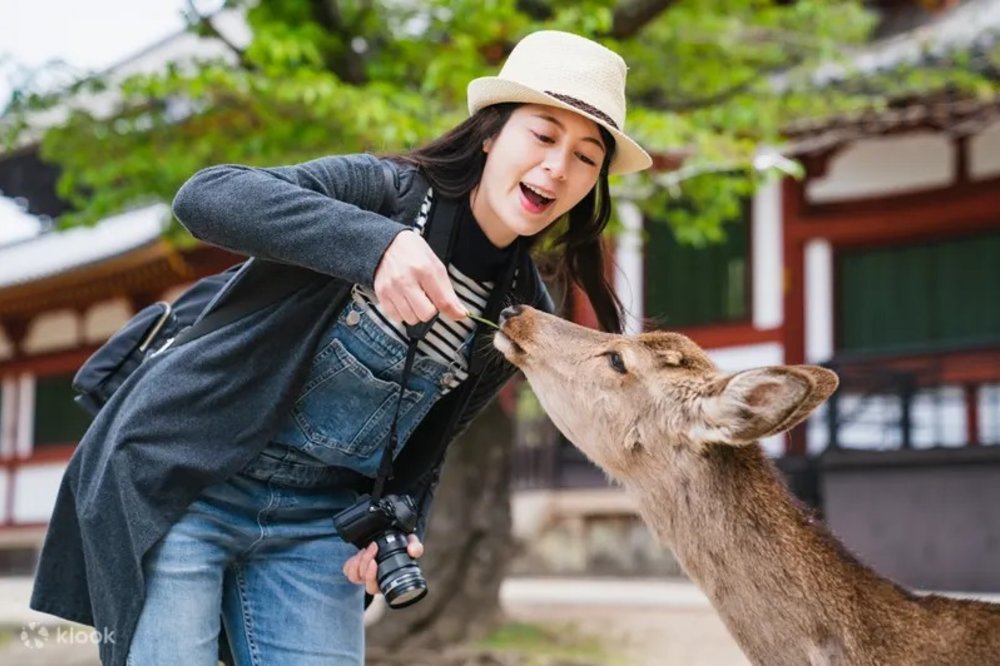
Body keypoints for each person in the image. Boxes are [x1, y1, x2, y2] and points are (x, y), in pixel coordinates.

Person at [29, 29, 652, 666]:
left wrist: (398, 527)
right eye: (543, 136)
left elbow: (429, 441)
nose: (558, 167)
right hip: (188, 479)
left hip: (318, 527)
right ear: (491, 133)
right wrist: (375, 245)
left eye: (586, 156)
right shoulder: (381, 191)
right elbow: (205, 197)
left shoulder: (521, 311)